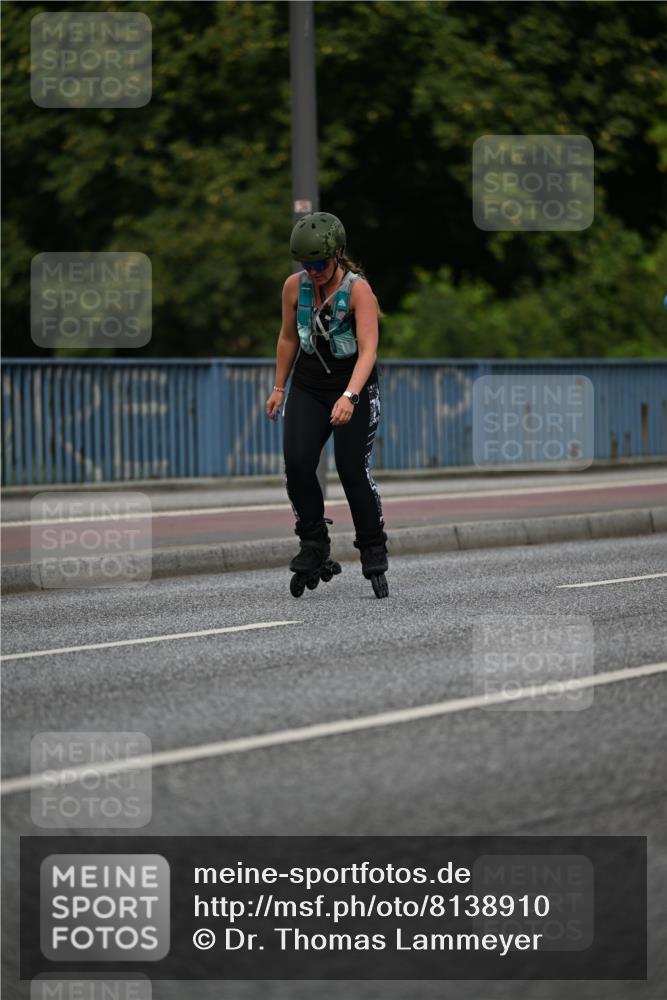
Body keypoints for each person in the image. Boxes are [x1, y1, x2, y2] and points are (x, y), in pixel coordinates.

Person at [264, 211, 389, 598]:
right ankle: (313, 544)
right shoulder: (293, 288)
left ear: (337, 254)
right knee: (298, 464)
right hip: (308, 386)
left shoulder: (358, 291)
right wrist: (279, 387)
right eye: (306, 264)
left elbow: (368, 350)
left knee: (352, 471)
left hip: (353, 386)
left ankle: (372, 547)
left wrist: (350, 396)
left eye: (319, 263)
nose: (313, 270)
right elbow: (287, 338)